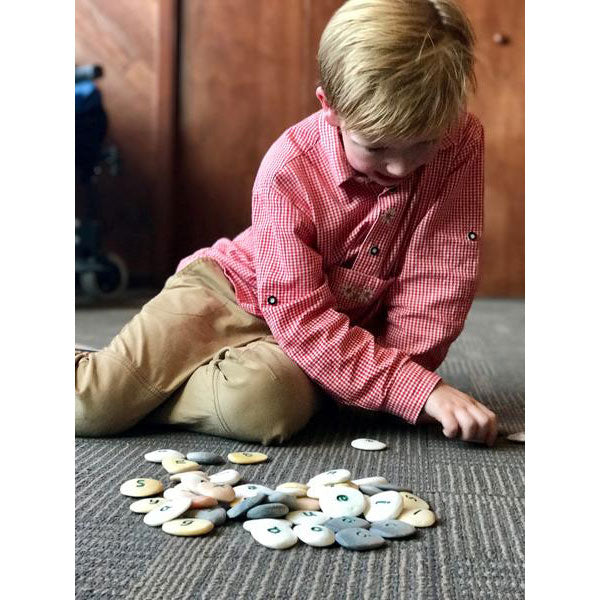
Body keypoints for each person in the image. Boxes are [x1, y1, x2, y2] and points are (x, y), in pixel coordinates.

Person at [76, 0, 497, 447]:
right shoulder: (288, 167)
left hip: (323, 334)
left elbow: (440, 279)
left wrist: (403, 381)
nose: (399, 169)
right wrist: (403, 388)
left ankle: (154, 390)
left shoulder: (461, 143)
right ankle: (121, 386)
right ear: (329, 107)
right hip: (227, 292)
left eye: (423, 144)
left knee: (265, 409)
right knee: (96, 406)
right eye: (374, 147)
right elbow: (300, 311)